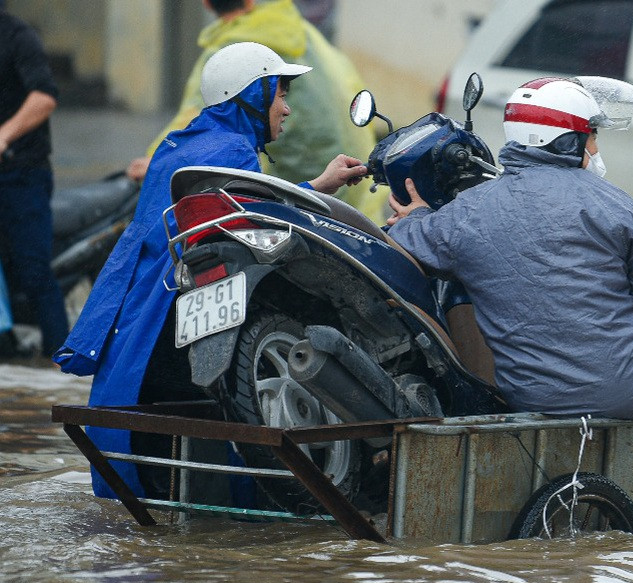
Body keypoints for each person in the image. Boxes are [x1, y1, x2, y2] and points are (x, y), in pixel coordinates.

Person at [386, 77, 633, 516]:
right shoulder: (615, 204)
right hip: (628, 391)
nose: (594, 150)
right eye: (590, 138)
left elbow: (407, 237)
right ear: (565, 141)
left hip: (529, 396)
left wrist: (418, 215)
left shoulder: (465, 213)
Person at [55, 41, 368, 499]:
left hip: (145, 313)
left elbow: (246, 205)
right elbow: (255, 217)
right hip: (170, 315)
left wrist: (319, 186)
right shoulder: (233, 149)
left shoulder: (186, 143)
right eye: (280, 94)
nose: (287, 109)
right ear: (251, 96)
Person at [126, 0, 381, 218]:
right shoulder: (302, 32)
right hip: (340, 191)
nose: (287, 109)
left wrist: (158, 159)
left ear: (206, 3)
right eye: (281, 96)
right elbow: (265, 213)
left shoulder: (230, 51)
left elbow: (194, 113)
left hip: (297, 194)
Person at [0, 6, 68, 358]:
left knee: (34, 271)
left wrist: (4, 136)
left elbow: (44, 97)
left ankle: (62, 362)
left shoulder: (17, 36)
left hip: (21, 173)